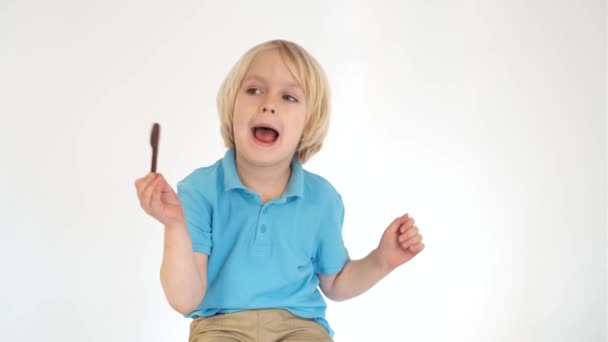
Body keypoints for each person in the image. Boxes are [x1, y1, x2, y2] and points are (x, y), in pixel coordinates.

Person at [135, 39, 425, 342]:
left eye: (288, 97)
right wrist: (175, 225)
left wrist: (382, 259)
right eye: (254, 90)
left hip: (300, 327)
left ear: (308, 122)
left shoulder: (322, 199)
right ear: (231, 107)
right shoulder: (199, 190)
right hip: (220, 327)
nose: (268, 104)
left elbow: (336, 282)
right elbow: (185, 299)